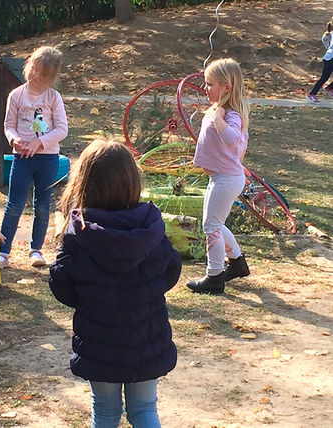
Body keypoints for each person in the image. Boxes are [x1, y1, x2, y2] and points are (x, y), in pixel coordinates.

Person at [49, 140, 181, 428]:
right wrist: (147, 290)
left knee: (106, 411)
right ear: (132, 179)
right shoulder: (150, 224)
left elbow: (62, 283)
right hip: (147, 336)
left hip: (100, 339)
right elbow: (171, 268)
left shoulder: (79, 232)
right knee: (145, 409)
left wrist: (90, 297)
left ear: (84, 183)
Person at [0, 46, 68, 269]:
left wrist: (40, 142)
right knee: (15, 204)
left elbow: (62, 129)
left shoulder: (53, 97)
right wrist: (14, 140)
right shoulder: (17, 95)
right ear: (28, 64)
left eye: (42, 74)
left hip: (47, 158)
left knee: (42, 204)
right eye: (33, 69)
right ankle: (3, 251)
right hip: (21, 158)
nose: (35, 76)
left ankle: (36, 249)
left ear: (51, 77)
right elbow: (9, 126)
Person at [187, 58, 250, 295]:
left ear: (227, 87)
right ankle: (237, 262)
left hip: (226, 179)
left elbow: (233, 138)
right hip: (221, 178)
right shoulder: (219, 110)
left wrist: (218, 119)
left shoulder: (231, 114)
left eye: (210, 84)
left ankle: (214, 276)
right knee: (214, 223)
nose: (205, 89)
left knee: (211, 225)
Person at [307, 21, 333, 104]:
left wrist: (328, 47)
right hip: (330, 58)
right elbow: (324, 38)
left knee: (325, 77)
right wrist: (328, 48)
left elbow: (324, 39)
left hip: (330, 56)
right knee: (324, 77)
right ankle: (312, 94)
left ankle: (330, 87)